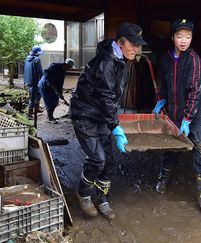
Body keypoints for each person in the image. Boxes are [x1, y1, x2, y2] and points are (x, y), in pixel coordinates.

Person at [70, 22, 146, 220]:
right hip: (84, 115)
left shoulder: (120, 60)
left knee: (109, 161)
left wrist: (111, 121)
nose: (137, 49)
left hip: (100, 115)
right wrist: (115, 126)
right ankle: (83, 193)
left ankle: (103, 198)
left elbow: (111, 98)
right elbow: (105, 97)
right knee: (97, 159)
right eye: (133, 44)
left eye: (138, 45)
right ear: (120, 43)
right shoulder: (106, 63)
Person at [153, 18, 201, 218]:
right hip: (174, 109)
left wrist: (187, 119)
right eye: (179, 36)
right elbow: (162, 82)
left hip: (197, 113)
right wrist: (161, 99)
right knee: (171, 146)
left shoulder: (194, 61)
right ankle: (163, 178)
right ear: (172, 37)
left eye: (188, 37)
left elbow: (195, 93)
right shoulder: (165, 59)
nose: (183, 40)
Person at [38, 58, 75, 123]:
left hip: (53, 86)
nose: (69, 69)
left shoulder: (63, 72)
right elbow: (47, 74)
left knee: (55, 100)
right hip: (45, 85)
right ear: (66, 65)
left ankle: (50, 116)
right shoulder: (54, 66)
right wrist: (53, 87)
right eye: (69, 67)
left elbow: (60, 83)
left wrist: (60, 93)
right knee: (49, 101)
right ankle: (50, 118)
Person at [23, 45, 44, 119]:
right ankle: (29, 114)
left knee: (38, 94)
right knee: (33, 98)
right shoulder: (37, 59)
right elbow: (40, 71)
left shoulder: (27, 58)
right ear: (36, 53)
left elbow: (25, 69)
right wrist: (43, 80)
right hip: (34, 81)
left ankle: (37, 109)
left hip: (28, 80)